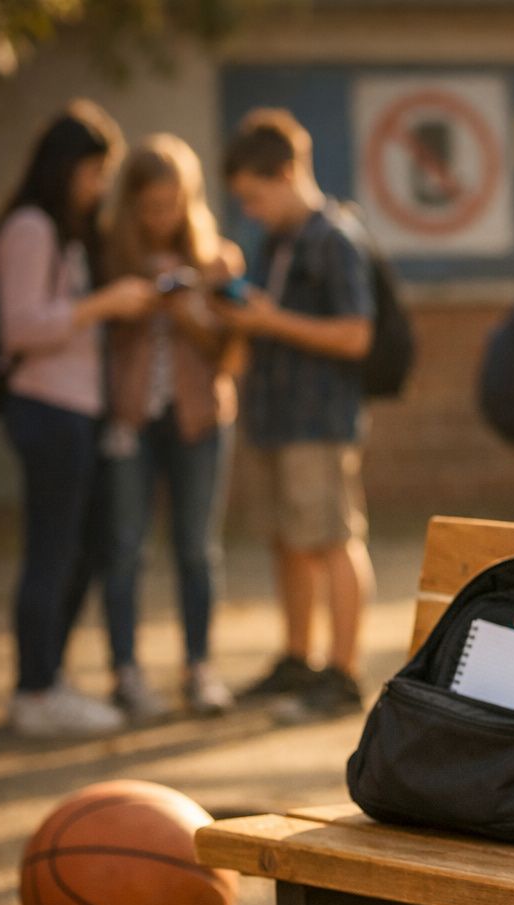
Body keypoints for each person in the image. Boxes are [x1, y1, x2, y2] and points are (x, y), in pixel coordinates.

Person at [0, 100, 159, 738]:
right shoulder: (30, 228)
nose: (99, 188)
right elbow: (21, 326)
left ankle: (50, 677)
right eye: (94, 172)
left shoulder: (67, 232)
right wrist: (101, 305)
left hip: (78, 411)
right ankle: (35, 689)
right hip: (45, 408)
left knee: (80, 550)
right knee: (52, 551)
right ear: (66, 167)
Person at [215, 108, 374, 718]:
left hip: (320, 419)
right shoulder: (275, 240)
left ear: (286, 173)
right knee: (287, 541)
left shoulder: (335, 237)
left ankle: (342, 672)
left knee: (330, 538)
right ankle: (298, 658)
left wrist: (268, 320)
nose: (249, 211)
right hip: (272, 414)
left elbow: (357, 335)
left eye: (255, 196)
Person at [100, 134, 243, 719]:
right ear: (131, 205)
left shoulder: (218, 260)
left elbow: (232, 351)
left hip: (199, 419)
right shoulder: (108, 257)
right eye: (150, 207)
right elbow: (94, 340)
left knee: (196, 546)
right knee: (126, 548)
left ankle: (199, 667)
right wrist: (131, 304)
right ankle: (126, 672)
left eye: (172, 205)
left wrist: (188, 310)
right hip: (131, 418)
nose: (161, 218)